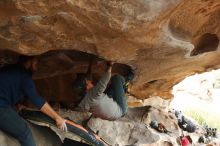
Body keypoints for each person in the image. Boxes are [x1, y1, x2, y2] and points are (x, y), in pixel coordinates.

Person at [0, 55, 67, 146]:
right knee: (25, 133)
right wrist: (57, 117)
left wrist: (17, 106)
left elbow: (5, 91)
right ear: (30, 61)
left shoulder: (10, 69)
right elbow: (37, 100)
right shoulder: (24, 76)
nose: (37, 66)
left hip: (4, 104)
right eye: (36, 62)